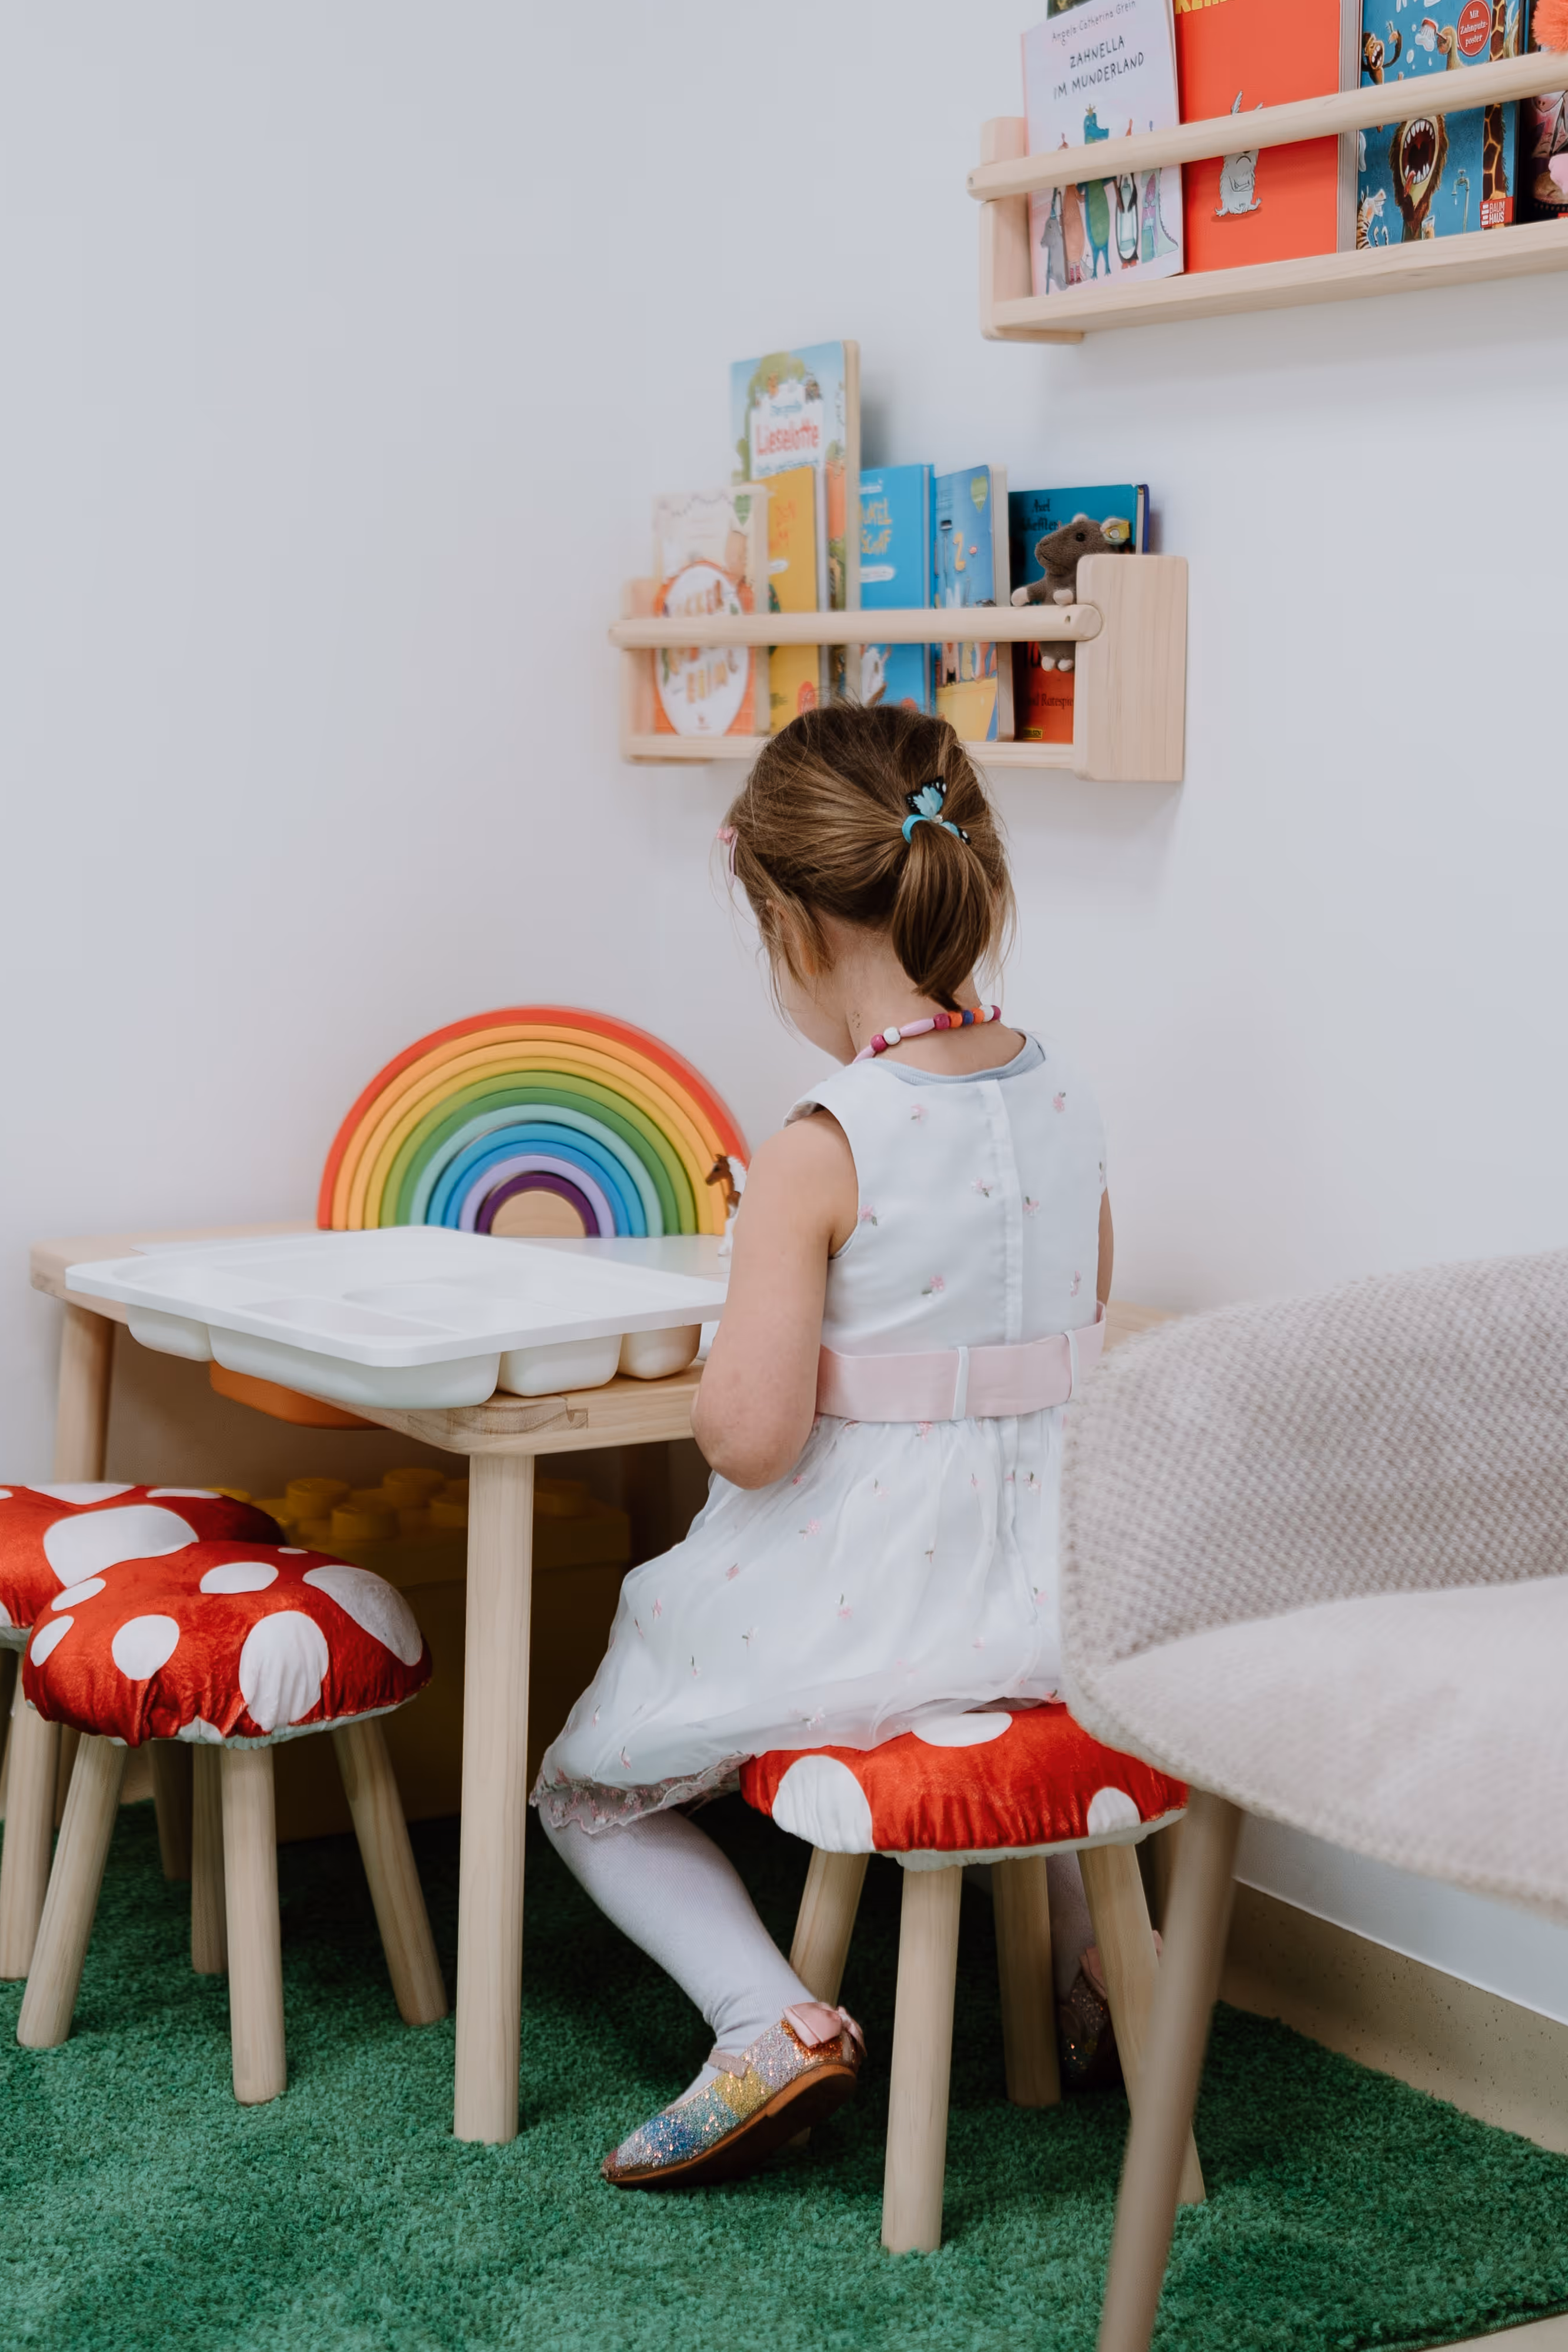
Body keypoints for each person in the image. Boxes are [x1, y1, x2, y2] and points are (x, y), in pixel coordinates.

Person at [536, 702, 1113, 2189]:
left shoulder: (818, 1142)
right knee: (1017, 1693)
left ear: (791, 919)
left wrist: (738, 1312)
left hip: (884, 1590)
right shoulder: (1061, 1089)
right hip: (1061, 1584)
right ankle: (1090, 1969)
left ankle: (764, 2016)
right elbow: (1084, 1297)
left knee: (586, 1780)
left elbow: (748, 1437)